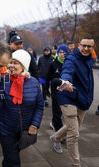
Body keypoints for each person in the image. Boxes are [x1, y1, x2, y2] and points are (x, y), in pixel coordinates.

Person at [50, 34, 95, 167]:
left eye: (89, 46)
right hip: (67, 95)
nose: (86, 48)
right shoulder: (71, 59)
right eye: (83, 45)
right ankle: (76, 164)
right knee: (74, 134)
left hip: (83, 97)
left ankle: (56, 137)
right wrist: (66, 81)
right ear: (78, 45)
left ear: (93, 47)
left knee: (75, 126)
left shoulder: (90, 59)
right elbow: (67, 70)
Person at [0, 49, 43, 167]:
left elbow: (39, 106)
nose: (11, 66)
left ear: (24, 66)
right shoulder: (2, 80)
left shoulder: (34, 83)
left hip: (24, 130)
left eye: (15, 63)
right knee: (14, 161)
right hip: (5, 129)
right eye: (10, 62)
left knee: (9, 158)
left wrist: (35, 124)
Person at [46, 45, 69, 132]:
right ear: (58, 53)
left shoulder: (69, 64)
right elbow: (47, 77)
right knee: (56, 110)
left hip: (66, 90)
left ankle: (54, 122)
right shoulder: (53, 64)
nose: (62, 54)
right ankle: (58, 131)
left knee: (64, 111)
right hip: (55, 90)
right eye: (60, 52)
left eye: (64, 52)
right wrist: (46, 89)